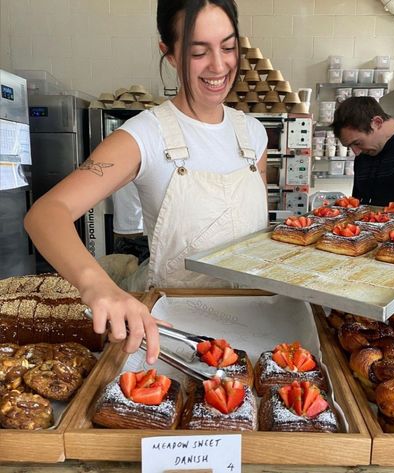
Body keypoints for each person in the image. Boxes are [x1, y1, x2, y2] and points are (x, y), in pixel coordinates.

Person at [24, 0, 268, 365]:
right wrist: (99, 286)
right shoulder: (145, 135)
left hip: (260, 323)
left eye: (229, 47)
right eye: (198, 52)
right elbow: (46, 214)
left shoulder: (253, 133)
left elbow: (252, 231)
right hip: (176, 338)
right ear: (169, 54)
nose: (219, 65)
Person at [111, 182, 150, 265]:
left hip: (122, 230)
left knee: (122, 274)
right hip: (140, 231)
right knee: (144, 275)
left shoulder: (111, 170)